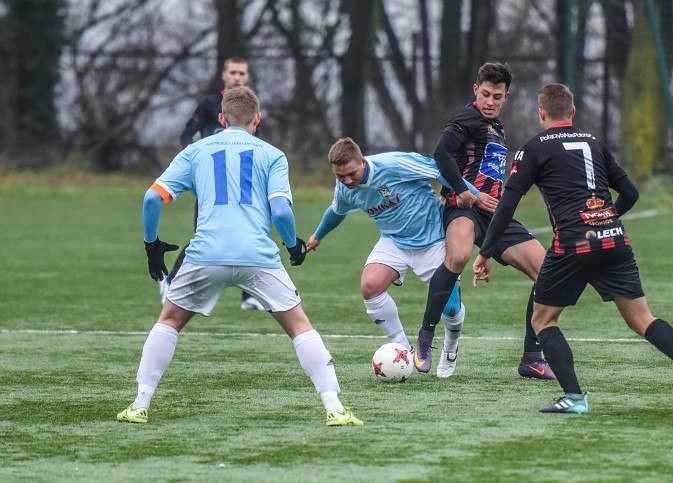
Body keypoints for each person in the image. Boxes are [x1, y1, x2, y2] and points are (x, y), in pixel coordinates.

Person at [117, 87, 363, 427]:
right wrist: (293, 246)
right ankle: (335, 408)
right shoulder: (273, 155)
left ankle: (140, 404)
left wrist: (151, 245)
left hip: (206, 254)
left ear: (221, 119)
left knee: (170, 320)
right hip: (258, 256)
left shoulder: (196, 151)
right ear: (257, 119)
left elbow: (151, 199)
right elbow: (280, 209)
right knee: (299, 326)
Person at [471, 83, 673, 414]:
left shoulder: (532, 148)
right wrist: (606, 217)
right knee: (642, 318)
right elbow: (630, 193)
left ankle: (575, 398)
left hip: (573, 244)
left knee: (543, 320)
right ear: (572, 112)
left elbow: (506, 205)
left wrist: (486, 252)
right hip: (615, 239)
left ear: (541, 113)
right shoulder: (594, 142)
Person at [306, 137, 482, 378]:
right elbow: (337, 211)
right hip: (394, 241)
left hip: (433, 238)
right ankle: (405, 351)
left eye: (351, 174)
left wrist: (475, 195)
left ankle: (451, 346)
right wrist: (318, 235)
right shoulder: (345, 188)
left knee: (450, 309)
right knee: (370, 286)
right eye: (340, 176)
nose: (347, 181)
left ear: (362, 161)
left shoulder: (396, 164)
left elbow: (441, 172)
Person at [425, 62, 555, 380]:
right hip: (463, 209)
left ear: (505, 97)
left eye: (497, 96)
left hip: (493, 215)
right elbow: (441, 154)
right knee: (457, 257)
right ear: (476, 90)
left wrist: (492, 242)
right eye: (485, 94)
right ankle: (425, 338)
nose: (490, 102)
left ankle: (532, 358)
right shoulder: (468, 117)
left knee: (548, 272)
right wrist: (464, 192)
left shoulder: (497, 127)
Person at [162, 56, 263, 311]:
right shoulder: (209, 103)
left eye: (242, 73)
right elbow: (187, 133)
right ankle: (172, 281)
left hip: (241, 185)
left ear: (247, 77)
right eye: (233, 72)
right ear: (224, 75)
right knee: (203, 236)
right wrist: (197, 161)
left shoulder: (252, 106)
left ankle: (248, 296)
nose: (237, 77)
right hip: (213, 182)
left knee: (247, 233)